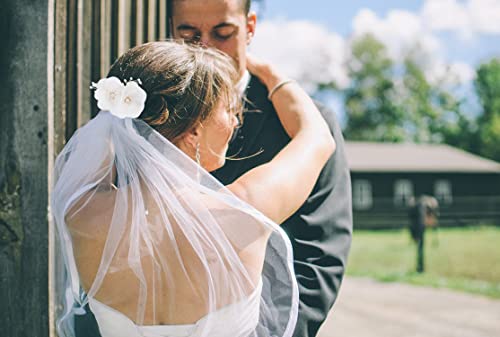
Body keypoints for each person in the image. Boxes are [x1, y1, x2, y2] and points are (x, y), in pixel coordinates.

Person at [54, 41, 335, 337]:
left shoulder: (82, 213)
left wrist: (122, 116)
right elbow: (317, 137)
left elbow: (105, 141)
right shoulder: (245, 210)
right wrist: (270, 73)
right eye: (228, 109)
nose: (236, 120)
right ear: (195, 130)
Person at [168, 1, 353, 336]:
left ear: (249, 28)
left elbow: (319, 258)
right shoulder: (147, 117)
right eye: (190, 34)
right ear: (172, 30)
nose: (206, 47)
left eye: (223, 33)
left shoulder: (304, 124)